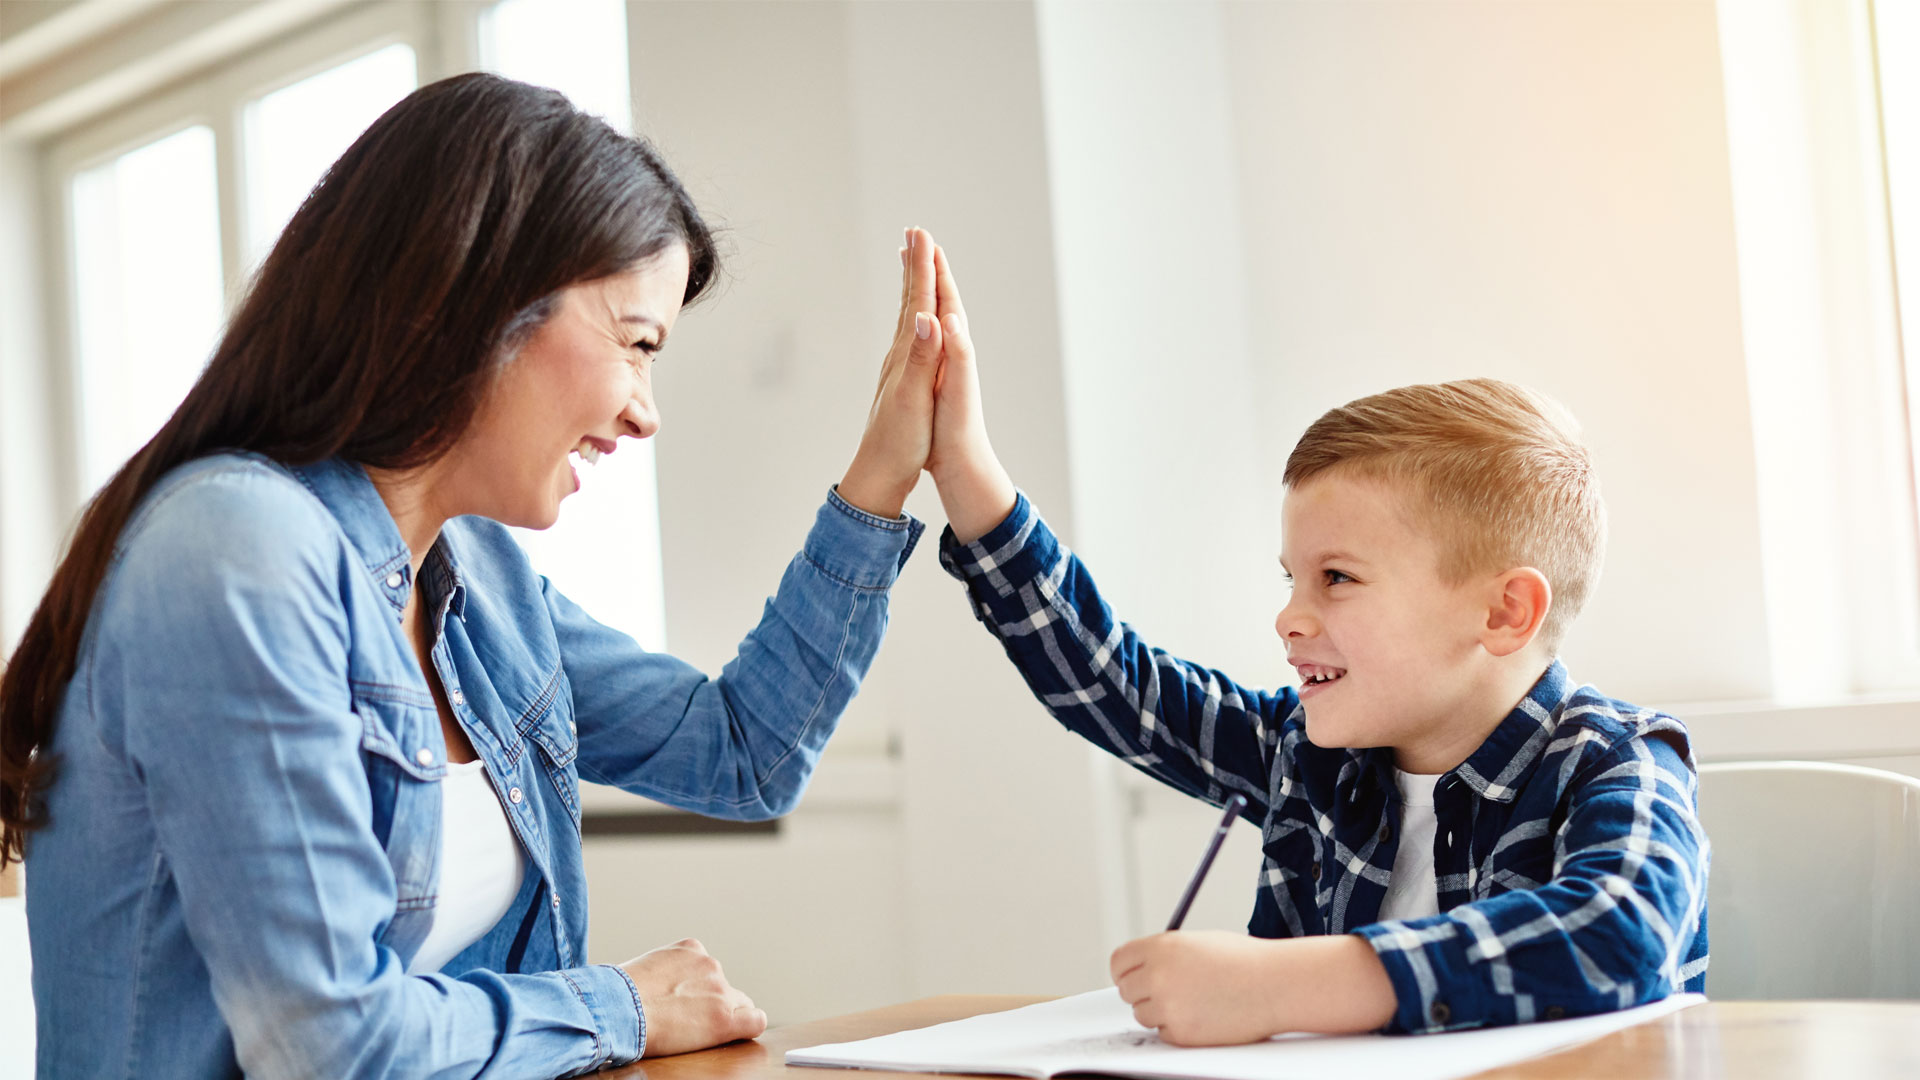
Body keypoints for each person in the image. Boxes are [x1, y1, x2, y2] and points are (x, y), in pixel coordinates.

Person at [0, 73, 954, 1076]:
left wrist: (882, 477)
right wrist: (621, 1003)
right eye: (635, 346)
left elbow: (742, 756)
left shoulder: (479, 579)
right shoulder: (236, 548)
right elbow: (328, 1046)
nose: (645, 412)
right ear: (473, 299)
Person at [914, 251, 1709, 1044]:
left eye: (1337, 578)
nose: (1288, 618)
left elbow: (1620, 933)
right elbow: (1118, 686)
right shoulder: (1309, 751)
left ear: (1504, 613)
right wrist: (966, 473)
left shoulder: (1617, 761)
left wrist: (1282, 988)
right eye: (1291, 578)